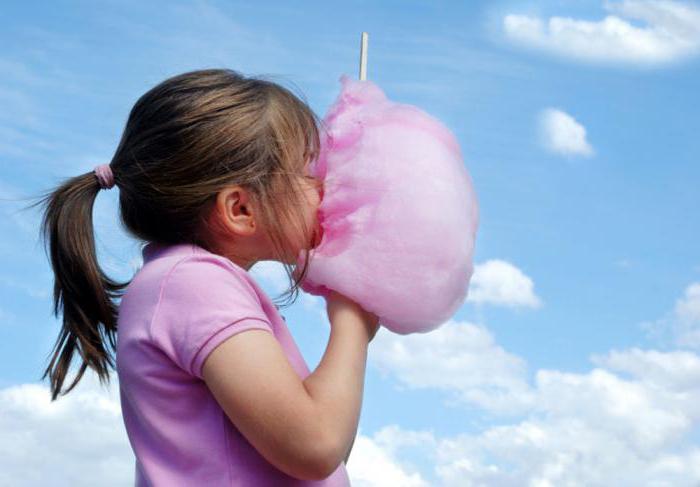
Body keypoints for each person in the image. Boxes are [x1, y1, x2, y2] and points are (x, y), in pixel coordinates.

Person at [33, 68, 380, 486]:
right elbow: (316, 446)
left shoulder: (189, 283)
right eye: (309, 172)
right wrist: (353, 325)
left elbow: (329, 451)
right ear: (241, 210)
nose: (325, 186)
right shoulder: (192, 283)